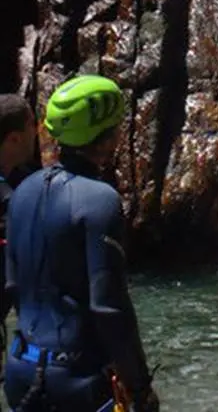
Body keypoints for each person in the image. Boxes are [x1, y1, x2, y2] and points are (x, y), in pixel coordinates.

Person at [4, 75, 160, 412]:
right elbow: (109, 307)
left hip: (20, 371)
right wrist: (140, 386)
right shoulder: (100, 201)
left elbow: (12, 286)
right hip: (78, 380)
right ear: (106, 135)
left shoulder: (21, 193)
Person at [0, 96, 37, 357]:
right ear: (14, 138)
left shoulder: (20, 180)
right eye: (32, 125)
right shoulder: (10, 199)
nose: (37, 132)